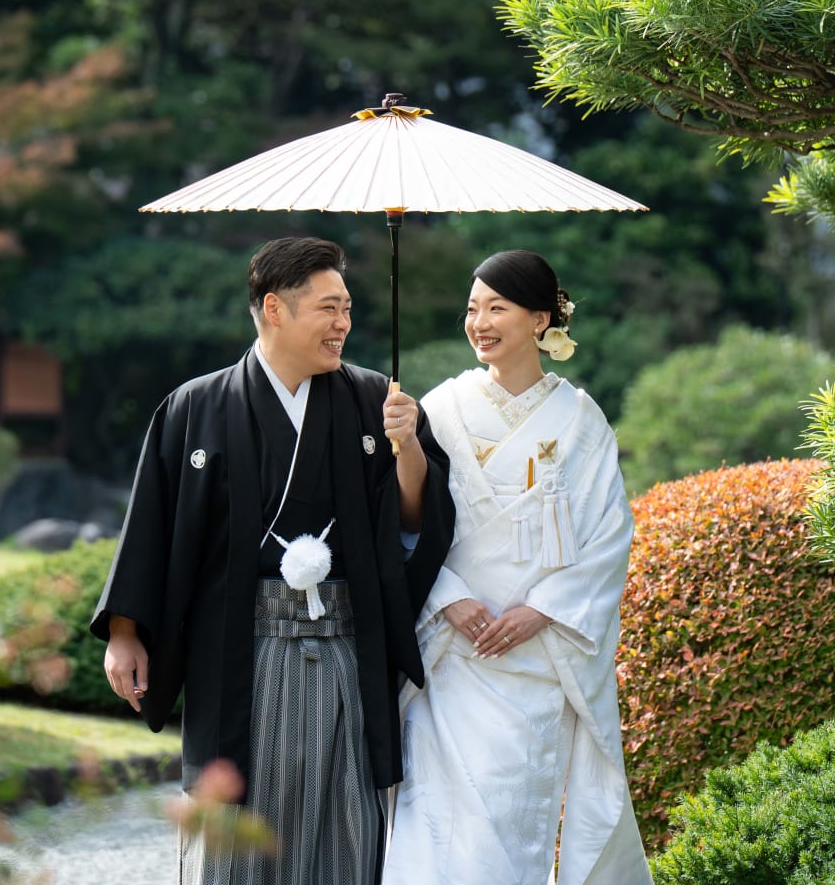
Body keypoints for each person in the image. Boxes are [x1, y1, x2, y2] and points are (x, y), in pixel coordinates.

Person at [91, 236, 454, 885]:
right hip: (239, 650)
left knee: (344, 823)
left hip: (345, 645)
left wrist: (410, 451)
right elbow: (151, 523)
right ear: (274, 309)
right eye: (327, 307)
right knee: (236, 828)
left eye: (347, 307)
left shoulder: (377, 401)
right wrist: (124, 632)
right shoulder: (194, 407)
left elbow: (414, 522)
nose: (343, 323)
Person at [383, 250, 652, 885]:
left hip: (535, 661)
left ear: (539, 319)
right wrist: (447, 596)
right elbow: (405, 520)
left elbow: (608, 535)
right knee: (434, 826)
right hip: (451, 655)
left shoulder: (581, 419)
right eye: (472, 309)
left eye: (496, 308)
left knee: (509, 826)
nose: (479, 322)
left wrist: (541, 611)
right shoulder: (440, 408)